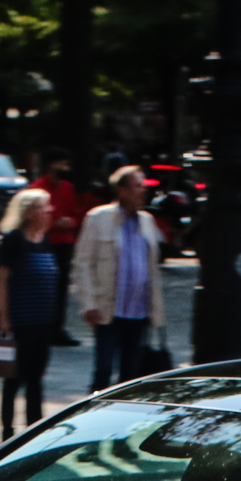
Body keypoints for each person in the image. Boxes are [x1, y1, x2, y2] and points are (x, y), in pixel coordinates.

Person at [76, 165, 165, 390]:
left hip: (139, 311)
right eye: (137, 186)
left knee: (130, 375)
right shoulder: (98, 218)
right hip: (109, 310)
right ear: (122, 190)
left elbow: (153, 267)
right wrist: (89, 303)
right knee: (104, 369)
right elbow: (83, 263)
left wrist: (157, 311)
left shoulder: (147, 221)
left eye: (143, 186)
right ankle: (93, 415)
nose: (143, 191)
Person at [0, 188, 62, 438]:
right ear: (30, 212)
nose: (50, 211)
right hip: (17, 324)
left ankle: (34, 431)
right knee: (12, 380)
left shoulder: (45, 240)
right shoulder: (13, 240)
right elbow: (1, 279)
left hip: (41, 324)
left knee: (35, 379)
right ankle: (7, 433)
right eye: (45, 206)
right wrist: (4, 318)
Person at [27, 149, 85, 346]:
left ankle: (57, 328)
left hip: (64, 243)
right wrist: (54, 224)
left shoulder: (68, 188)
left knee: (61, 288)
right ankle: (40, 327)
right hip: (45, 243)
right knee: (42, 287)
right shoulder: (38, 188)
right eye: (61, 165)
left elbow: (76, 213)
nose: (64, 169)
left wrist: (72, 222)